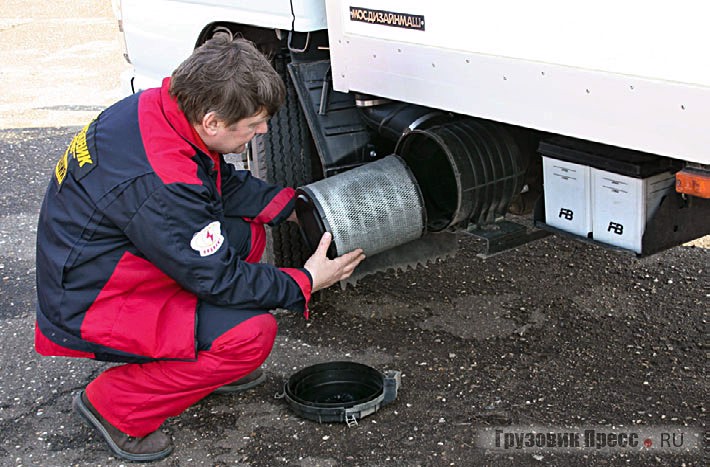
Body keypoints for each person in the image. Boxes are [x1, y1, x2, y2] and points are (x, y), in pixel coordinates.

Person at [34, 35, 365, 462]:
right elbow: (221, 277)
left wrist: (292, 207)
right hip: (92, 302)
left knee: (248, 235)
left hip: (103, 262)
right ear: (212, 122)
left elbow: (213, 184)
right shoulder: (165, 183)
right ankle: (114, 405)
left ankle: (197, 363)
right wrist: (307, 281)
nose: (263, 130)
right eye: (254, 124)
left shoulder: (158, 108)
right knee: (250, 336)